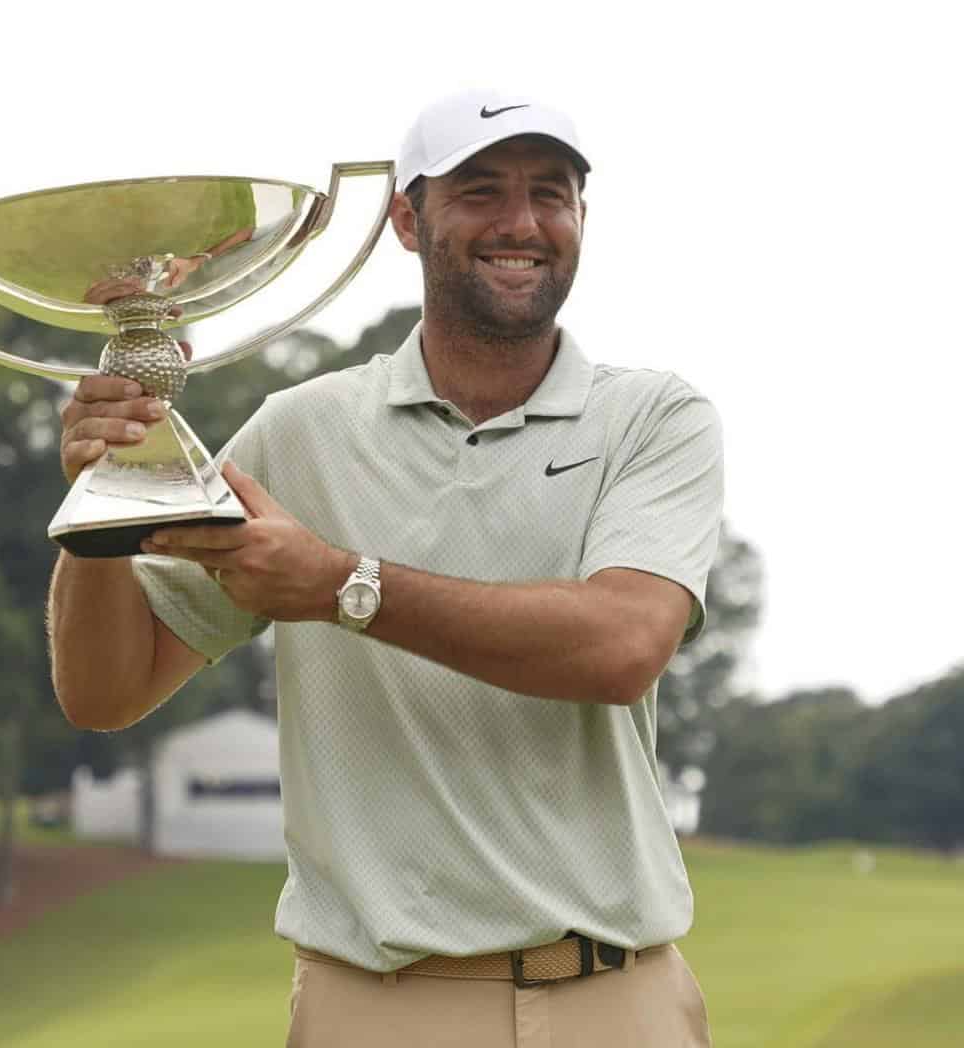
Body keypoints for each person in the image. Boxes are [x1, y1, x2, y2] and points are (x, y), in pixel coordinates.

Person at [48, 89, 721, 1047]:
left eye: (551, 193)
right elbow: (106, 692)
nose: (522, 223)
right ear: (408, 220)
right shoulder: (300, 430)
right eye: (480, 191)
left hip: (616, 999)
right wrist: (101, 499)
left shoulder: (654, 419)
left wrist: (339, 587)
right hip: (373, 1004)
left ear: (581, 217)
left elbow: (621, 647)